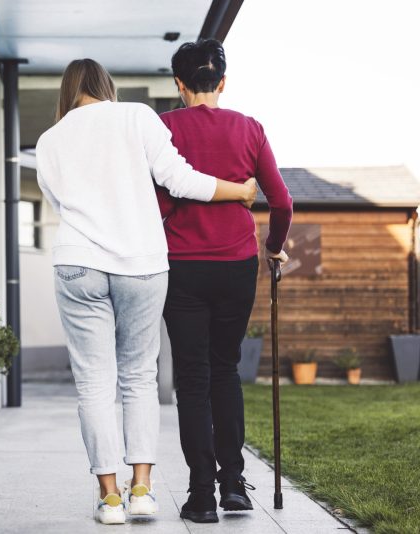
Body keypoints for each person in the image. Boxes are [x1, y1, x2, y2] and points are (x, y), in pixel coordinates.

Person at [34, 58, 258, 525]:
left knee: (94, 383)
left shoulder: (50, 139)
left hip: (78, 262)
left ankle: (109, 498)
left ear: (68, 91)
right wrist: (237, 191)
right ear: (106, 85)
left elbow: (58, 203)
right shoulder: (138, 117)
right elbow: (178, 180)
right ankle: (142, 491)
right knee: (138, 378)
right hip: (141, 263)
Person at [156, 39, 293, 524]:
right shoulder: (250, 128)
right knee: (225, 370)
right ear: (222, 82)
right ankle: (233, 484)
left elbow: (160, 202)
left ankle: (200, 496)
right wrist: (274, 246)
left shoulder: (165, 127)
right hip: (237, 266)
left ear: (179, 84)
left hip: (183, 267)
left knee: (191, 379)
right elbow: (283, 203)